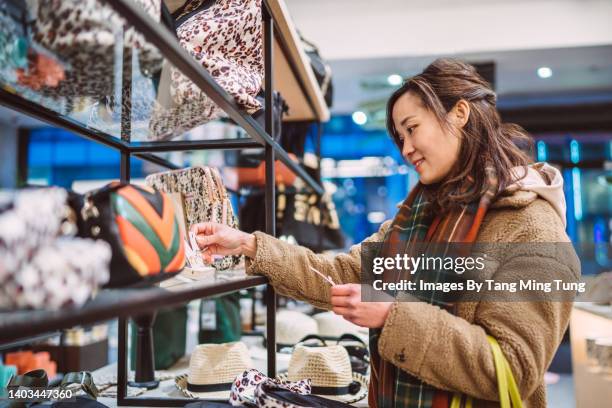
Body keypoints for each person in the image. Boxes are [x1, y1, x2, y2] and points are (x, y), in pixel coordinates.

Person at [191, 59, 580, 408]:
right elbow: (340, 275)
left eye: (413, 129)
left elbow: (515, 368)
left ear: (460, 113)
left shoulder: (530, 226)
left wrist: (393, 316)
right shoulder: (419, 219)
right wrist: (248, 243)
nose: (407, 148)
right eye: (400, 137)